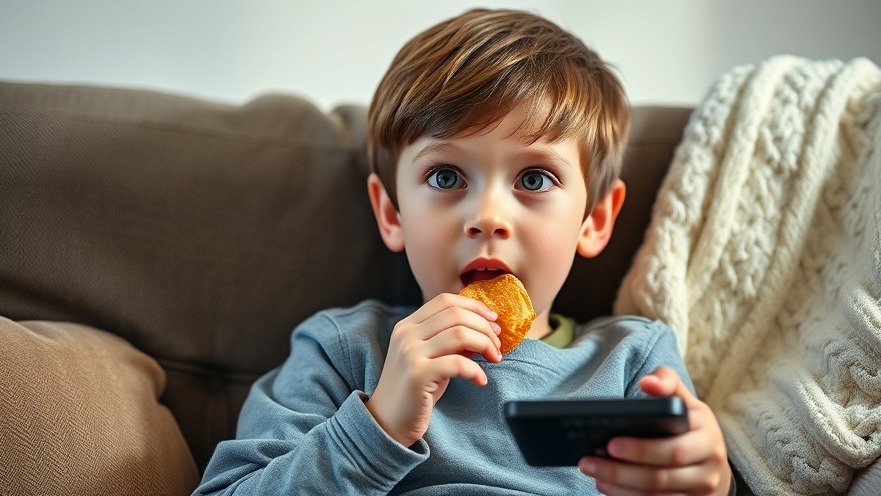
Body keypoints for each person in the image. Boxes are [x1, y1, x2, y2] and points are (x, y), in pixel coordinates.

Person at [195, 8, 733, 495]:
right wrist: (377, 425)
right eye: (446, 175)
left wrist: (708, 483)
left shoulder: (631, 361)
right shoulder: (343, 352)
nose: (489, 217)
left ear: (593, 220)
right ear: (392, 214)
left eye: (535, 178)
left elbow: (683, 474)